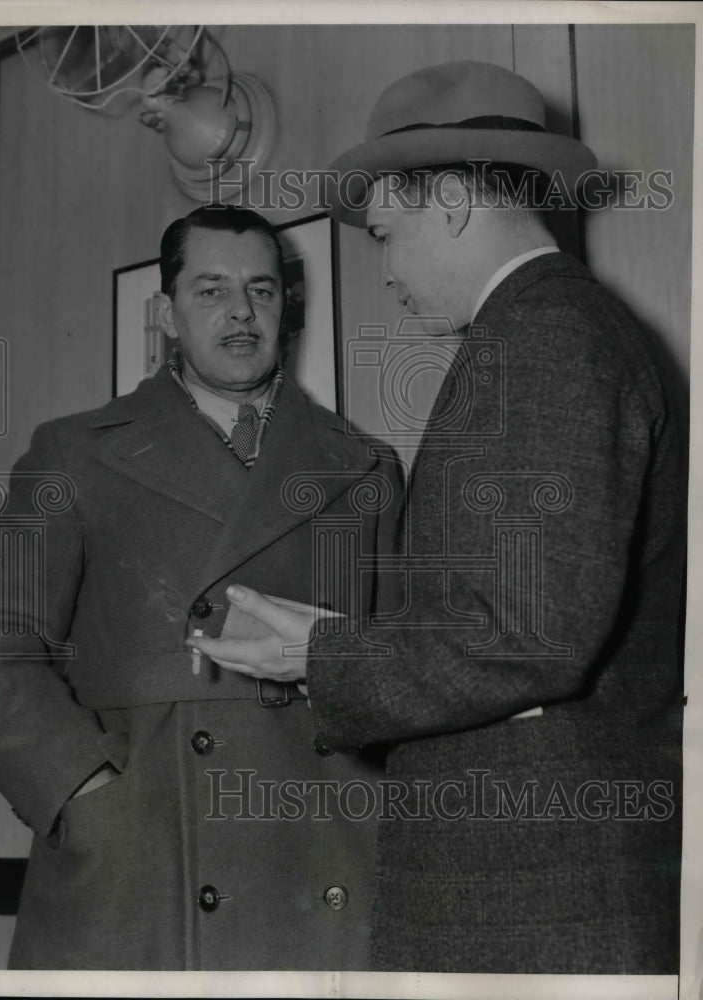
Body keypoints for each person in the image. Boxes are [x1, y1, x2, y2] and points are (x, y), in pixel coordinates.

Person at [189, 62, 686, 974]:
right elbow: (514, 615)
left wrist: (321, 656)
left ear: (452, 198)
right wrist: (334, 636)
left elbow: (532, 635)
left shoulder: (544, 340)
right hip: (531, 878)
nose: (385, 271)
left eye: (385, 233)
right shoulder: (542, 330)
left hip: (531, 891)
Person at [0, 205, 402, 970]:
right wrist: (82, 791)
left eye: (261, 290)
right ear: (165, 312)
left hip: (321, 849)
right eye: (211, 290)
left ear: (285, 307)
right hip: (143, 858)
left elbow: (403, 661)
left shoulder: (364, 463)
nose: (240, 312)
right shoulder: (75, 452)